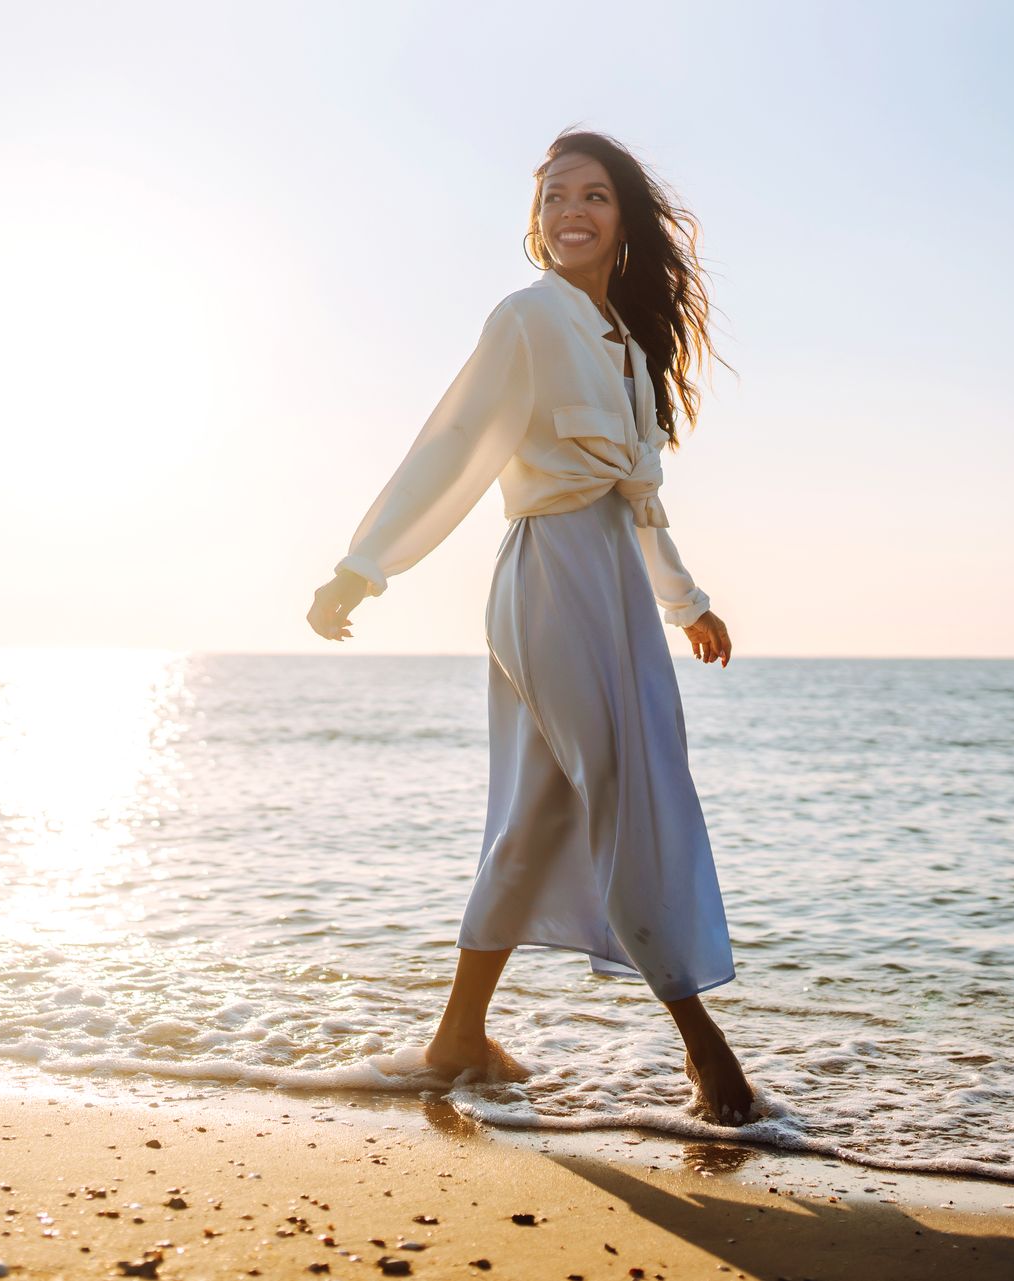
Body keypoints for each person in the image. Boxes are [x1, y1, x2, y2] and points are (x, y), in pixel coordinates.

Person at [305, 129, 759, 1126]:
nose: (570, 212)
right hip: (549, 573)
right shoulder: (525, 319)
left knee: (546, 808)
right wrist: (363, 565)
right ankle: (708, 1058)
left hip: (615, 585)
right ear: (535, 219)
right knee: (628, 794)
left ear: (623, 221)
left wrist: (688, 605)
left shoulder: (629, 348)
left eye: (593, 196)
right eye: (554, 196)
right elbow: (453, 444)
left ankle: (457, 1038)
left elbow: (640, 501)